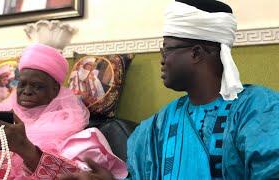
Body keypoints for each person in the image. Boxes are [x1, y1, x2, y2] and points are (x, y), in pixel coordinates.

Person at [58, 0, 279, 179]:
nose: (162, 60)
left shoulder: (258, 111)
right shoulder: (158, 125)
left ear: (196, 53)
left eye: (167, 50)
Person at [0, 44, 127, 179]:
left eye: (37, 86)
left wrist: (27, 150)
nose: (27, 91)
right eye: (22, 84)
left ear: (55, 90)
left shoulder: (73, 131)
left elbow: (75, 174)